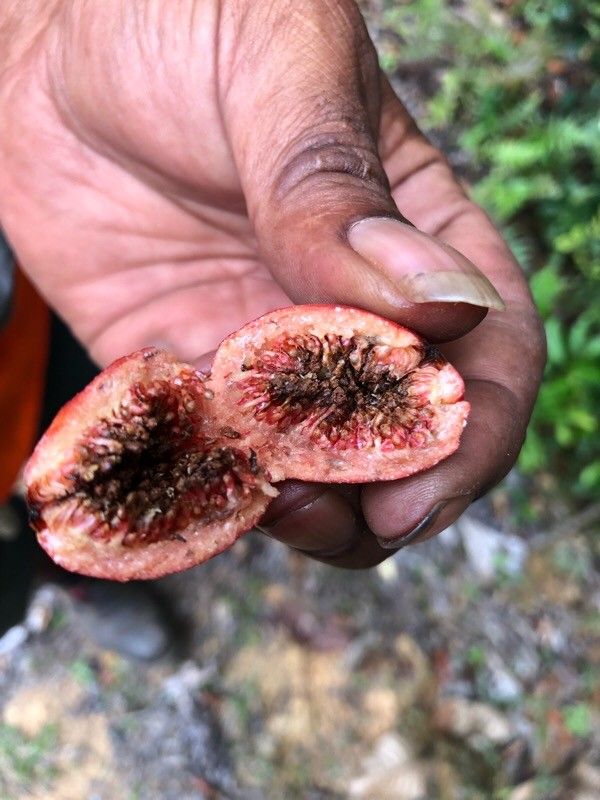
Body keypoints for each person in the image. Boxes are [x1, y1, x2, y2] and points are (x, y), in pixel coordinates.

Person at [0, 0, 545, 579]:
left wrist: (29, 32)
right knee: (28, 564)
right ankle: (65, 582)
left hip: (38, 309)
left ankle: (80, 583)